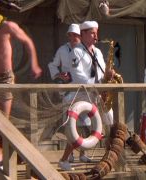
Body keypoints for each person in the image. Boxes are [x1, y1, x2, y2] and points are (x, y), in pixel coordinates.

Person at [57, 20, 114, 171]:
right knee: (78, 129)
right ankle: (64, 160)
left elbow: (101, 73)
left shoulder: (99, 52)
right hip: (81, 95)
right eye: (92, 33)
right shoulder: (76, 52)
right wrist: (101, 83)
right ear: (82, 34)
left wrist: (108, 77)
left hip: (97, 94)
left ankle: (109, 156)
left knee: (110, 120)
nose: (96, 36)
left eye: (97, 33)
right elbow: (78, 77)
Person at [0, 4, 42, 166]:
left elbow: (27, 42)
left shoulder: (8, 26)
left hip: (4, 79)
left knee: (3, 122)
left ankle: (8, 156)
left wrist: (34, 64)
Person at [48, 24, 94, 170]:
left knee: (86, 125)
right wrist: (58, 75)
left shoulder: (86, 50)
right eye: (71, 35)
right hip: (69, 90)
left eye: (76, 35)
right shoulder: (63, 50)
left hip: (85, 90)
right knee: (72, 125)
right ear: (68, 36)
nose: (74, 37)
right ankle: (68, 157)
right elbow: (53, 65)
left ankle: (82, 153)